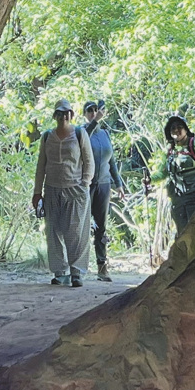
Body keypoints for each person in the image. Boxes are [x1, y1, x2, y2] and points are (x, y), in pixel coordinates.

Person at [32, 100, 94, 285]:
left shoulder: (79, 133)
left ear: (71, 115)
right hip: (52, 188)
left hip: (75, 189)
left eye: (67, 113)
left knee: (76, 231)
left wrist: (85, 183)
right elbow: (41, 165)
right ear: (54, 115)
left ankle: (77, 272)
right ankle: (59, 272)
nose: (63, 116)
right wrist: (37, 192)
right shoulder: (47, 136)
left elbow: (89, 161)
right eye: (59, 113)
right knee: (53, 231)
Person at [83, 101, 125, 281]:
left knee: (101, 227)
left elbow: (111, 161)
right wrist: (95, 121)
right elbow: (83, 140)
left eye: (95, 110)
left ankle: (102, 267)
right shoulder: (82, 132)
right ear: (84, 114)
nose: (93, 113)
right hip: (86, 184)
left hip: (104, 184)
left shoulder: (105, 134)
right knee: (82, 226)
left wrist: (118, 183)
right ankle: (79, 267)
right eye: (89, 111)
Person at [154, 114, 195, 233]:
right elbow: (162, 173)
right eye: (173, 128)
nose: (176, 130)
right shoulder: (169, 151)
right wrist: (150, 179)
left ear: (186, 129)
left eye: (180, 127)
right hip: (177, 199)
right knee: (183, 233)